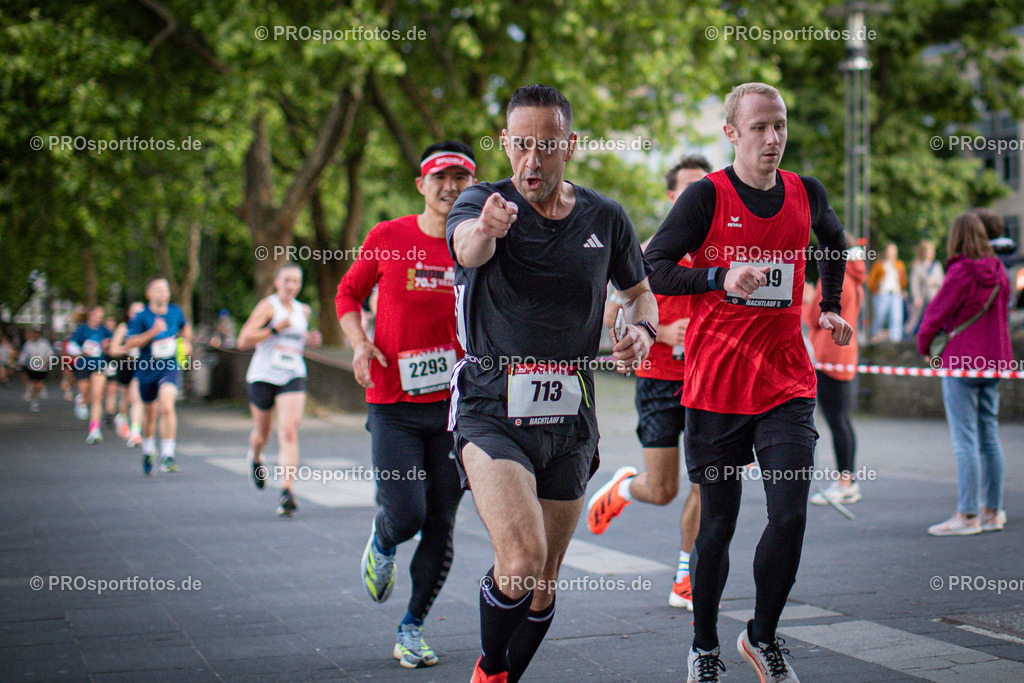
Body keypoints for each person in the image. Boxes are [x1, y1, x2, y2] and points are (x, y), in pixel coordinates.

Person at [447, 85, 656, 683]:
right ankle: (489, 671)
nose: (530, 162)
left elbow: (640, 295)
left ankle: (507, 675)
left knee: (543, 582)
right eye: (519, 146)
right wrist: (487, 227)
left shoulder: (605, 217)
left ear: (570, 143)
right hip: (492, 404)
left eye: (545, 146)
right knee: (521, 558)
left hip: (571, 412)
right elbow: (467, 248)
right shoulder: (481, 203)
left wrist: (641, 331)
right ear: (505, 144)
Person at [646, 82, 852, 683]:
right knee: (718, 523)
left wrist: (831, 303)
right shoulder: (705, 198)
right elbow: (654, 268)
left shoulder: (804, 192)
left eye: (780, 126)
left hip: (787, 378)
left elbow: (835, 245)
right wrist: (717, 275)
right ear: (732, 133)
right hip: (715, 383)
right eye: (759, 127)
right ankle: (704, 646)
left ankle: (761, 637)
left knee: (789, 515)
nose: (773, 138)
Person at [336, 140, 475, 669]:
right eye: (440, 178)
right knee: (407, 513)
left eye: (461, 179)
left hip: (456, 408)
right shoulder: (388, 237)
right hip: (393, 401)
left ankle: (412, 626)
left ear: (472, 186)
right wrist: (359, 341)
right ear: (422, 184)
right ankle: (384, 536)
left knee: (441, 520)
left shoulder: (477, 245)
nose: (450, 188)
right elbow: (347, 295)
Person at [588, 154, 712, 612]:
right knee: (663, 491)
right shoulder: (652, 247)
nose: (697, 198)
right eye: (687, 189)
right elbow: (612, 314)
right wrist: (657, 335)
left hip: (708, 382)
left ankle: (686, 575)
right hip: (660, 379)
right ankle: (623, 488)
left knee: (707, 482)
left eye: (705, 188)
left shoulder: (720, 250)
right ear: (671, 196)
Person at [917, 213, 1013, 536]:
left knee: (965, 440)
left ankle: (968, 515)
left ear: (957, 237)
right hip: (996, 361)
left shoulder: (960, 271)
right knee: (989, 436)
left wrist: (924, 345)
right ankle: (992, 511)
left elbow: (935, 314)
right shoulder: (1001, 271)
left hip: (962, 361)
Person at [238, 263, 322, 516]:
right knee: (262, 433)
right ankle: (255, 456)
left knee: (288, 430)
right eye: (286, 281)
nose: (291, 286)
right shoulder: (268, 306)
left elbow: (296, 342)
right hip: (263, 375)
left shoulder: (303, 311)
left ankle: (287, 492)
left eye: (296, 281)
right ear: (277, 282)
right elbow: (243, 340)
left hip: (292, 375)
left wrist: (309, 340)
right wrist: (274, 329)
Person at [804, 233, 867, 505]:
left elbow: (812, 318)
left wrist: (808, 299)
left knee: (836, 421)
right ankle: (847, 480)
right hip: (845, 354)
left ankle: (845, 482)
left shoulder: (832, 279)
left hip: (829, 355)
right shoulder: (854, 277)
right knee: (842, 421)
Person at [125, 277, 192, 475]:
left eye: (166, 289)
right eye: (159, 290)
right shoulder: (141, 317)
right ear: (149, 294)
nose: (164, 293)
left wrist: (186, 341)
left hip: (169, 365)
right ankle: (148, 451)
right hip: (146, 369)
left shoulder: (175, 311)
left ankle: (168, 455)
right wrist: (152, 332)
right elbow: (130, 343)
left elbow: (185, 326)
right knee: (150, 413)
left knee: (167, 405)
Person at [69, 306, 113, 444]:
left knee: (97, 396)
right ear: (90, 315)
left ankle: (94, 430)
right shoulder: (82, 329)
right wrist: (82, 351)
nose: (98, 319)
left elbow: (113, 343)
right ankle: (81, 399)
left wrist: (108, 345)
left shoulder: (104, 330)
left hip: (99, 365)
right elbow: (71, 346)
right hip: (83, 365)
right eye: (96, 316)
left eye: (101, 317)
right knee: (86, 396)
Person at [108, 303, 146, 446]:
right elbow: (113, 350)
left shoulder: (147, 327)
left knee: (138, 398)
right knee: (126, 398)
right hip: (126, 364)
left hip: (142, 365)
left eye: (141, 312)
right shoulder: (124, 328)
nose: (137, 315)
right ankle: (122, 417)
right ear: (129, 314)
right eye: (135, 312)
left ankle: (135, 433)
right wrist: (127, 349)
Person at [867, 243, 907, 342]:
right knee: (880, 316)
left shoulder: (899, 265)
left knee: (896, 317)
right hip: (882, 293)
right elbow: (871, 281)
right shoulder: (879, 265)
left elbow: (903, 281)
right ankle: (874, 335)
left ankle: (896, 339)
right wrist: (876, 290)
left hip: (895, 293)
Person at [906, 239, 944, 337]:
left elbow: (943, 282)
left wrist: (934, 282)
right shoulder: (917, 266)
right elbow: (914, 283)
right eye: (928, 251)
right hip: (921, 299)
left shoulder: (937, 266)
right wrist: (916, 297)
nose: (930, 254)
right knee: (916, 319)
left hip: (934, 298)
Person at [18, 328, 54, 412]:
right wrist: (21, 363)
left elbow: (50, 354)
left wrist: (49, 362)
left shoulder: (45, 344)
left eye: (37, 333)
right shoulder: (28, 344)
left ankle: (38, 392)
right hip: (31, 367)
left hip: (42, 367)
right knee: (33, 383)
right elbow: (24, 354)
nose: (35, 335)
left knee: (39, 384)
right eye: (34, 333)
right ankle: (34, 401)